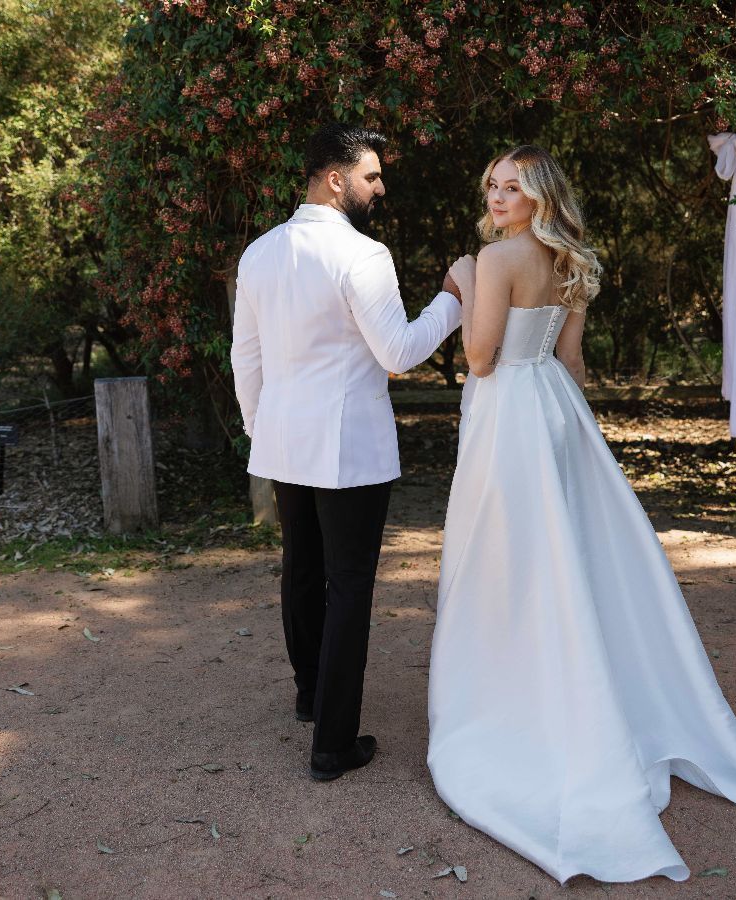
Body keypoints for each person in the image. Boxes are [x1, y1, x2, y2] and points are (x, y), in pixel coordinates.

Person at [426, 145, 736, 884]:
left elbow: (482, 358)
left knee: (510, 558)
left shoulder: (492, 262)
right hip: (555, 408)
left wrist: (461, 285)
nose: (496, 197)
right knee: (564, 552)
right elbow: (573, 362)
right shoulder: (568, 261)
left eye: (510, 187)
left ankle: (518, 694)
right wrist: (572, 431)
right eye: (490, 184)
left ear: (539, 195)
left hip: (508, 415)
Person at [231, 123, 462, 781]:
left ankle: (311, 696)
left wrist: (260, 426)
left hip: (283, 440)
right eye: (371, 176)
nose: (379, 187)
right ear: (336, 180)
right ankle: (333, 744)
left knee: (302, 569)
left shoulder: (260, 253)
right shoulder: (364, 255)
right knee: (348, 584)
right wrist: (451, 299)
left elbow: (244, 355)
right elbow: (398, 353)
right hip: (347, 449)